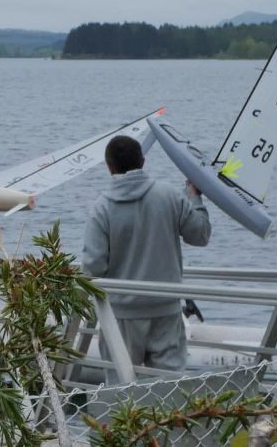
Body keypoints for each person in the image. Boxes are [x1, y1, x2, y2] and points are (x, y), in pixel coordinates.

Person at [82, 134, 210, 375]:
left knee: (121, 394)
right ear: (143, 161)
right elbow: (200, 235)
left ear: (109, 167)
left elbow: (93, 266)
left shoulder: (102, 208)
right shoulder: (170, 196)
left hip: (121, 315)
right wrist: (194, 197)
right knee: (167, 390)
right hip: (166, 308)